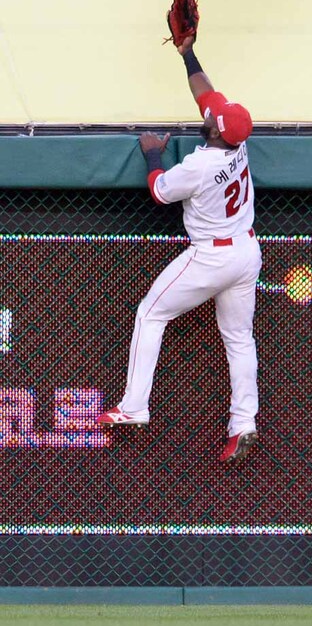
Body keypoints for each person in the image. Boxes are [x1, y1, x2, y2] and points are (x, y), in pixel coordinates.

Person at [97, 32, 261, 465]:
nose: (209, 114)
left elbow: (160, 192)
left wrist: (153, 156)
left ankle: (134, 406)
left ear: (217, 132)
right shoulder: (236, 142)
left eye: (214, 118)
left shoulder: (201, 165)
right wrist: (188, 53)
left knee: (150, 313)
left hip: (212, 256)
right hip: (246, 251)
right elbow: (207, 94)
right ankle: (244, 422)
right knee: (239, 339)